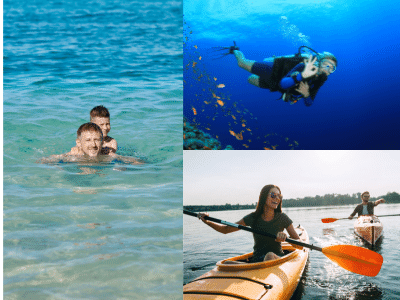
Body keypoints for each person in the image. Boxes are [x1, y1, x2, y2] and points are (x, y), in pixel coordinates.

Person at [197, 184, 300, 262]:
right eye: (273, 195)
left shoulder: (282, 218)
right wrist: (207, 221)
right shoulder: (252, 218)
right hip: (257, 261)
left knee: (269, 256)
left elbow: (300, 246)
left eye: (279, 196)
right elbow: (225, 230)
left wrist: (285, 238)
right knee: (226, 263)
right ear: (264, 197)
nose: (277, 199)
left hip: (276, 259)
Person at [219, 42, 337, 106]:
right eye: (326, 64)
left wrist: (306, 94)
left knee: (250, 79)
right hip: (276, 71)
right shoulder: (303, 66)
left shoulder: (319, 80)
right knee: (242, 63)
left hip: (274, 85)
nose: (328, 69)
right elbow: (283, 84)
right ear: (319, 62)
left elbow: (309, 103)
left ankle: (262, 69)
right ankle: (235, 49)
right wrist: (302, 76)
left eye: (332, 68)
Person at [39, 122, 142, 164]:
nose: (93, 145)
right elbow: (43, 161)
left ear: (102, 142)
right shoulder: (74, 155)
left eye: (97, 140)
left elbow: (139, 163)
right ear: (79, 143)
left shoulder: (107, 155)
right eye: (88, 140)